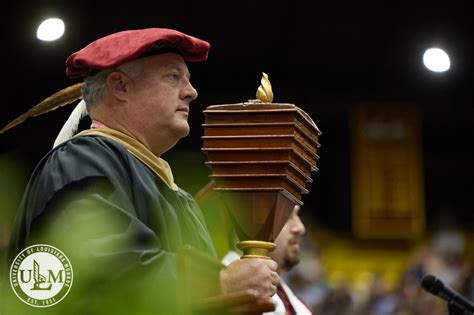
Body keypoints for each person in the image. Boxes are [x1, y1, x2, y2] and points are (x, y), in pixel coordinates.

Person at [4, 28, 278, 314]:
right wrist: (220, 282)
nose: (191, 92)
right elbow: (103, 271)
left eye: (188, 80)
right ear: (120, 86)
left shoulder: (168, 189)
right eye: (173, 77)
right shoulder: (81, 162)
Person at [223, 205, 313, 315]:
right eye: (287, 216)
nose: (300, 228)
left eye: (297, 215)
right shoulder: (214, 290)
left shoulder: (301, 306)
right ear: (249, 224)